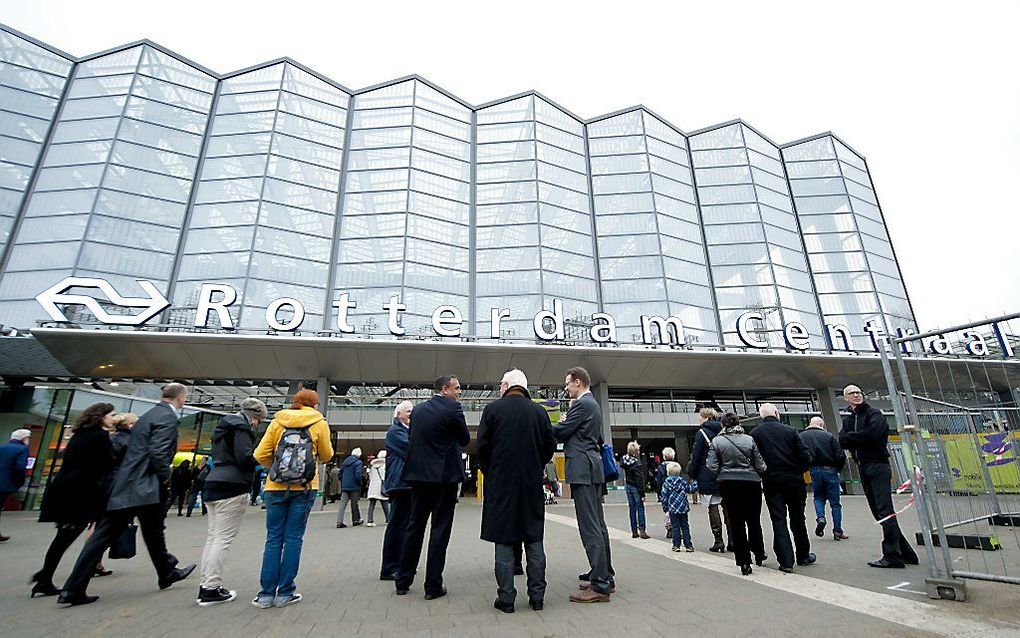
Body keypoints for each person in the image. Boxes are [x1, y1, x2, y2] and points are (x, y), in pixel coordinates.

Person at [59, 383, 196, 606]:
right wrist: (164, 477)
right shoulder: (166, 417)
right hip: (143, 485)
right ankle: (73, 589)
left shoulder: (149, 415)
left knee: (152, 531)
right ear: (181, 397)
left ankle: (166, 571)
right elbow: (159, 452)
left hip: (131, 484)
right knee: (107, 535)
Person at [477, 369, 556, 613]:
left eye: (501, 384)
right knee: (534, 538)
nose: (499, 388)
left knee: (503, 539)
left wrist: (492, 472)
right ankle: (538, 597)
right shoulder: (539, 412)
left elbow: (482, 449)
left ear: (509, 385)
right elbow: (549, 447)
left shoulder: (492, 411)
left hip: (501, 486)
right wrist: (535, 465)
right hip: (530, 484)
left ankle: (507, 599)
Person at [252, 388, 334, 608]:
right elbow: (327, 455)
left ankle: (266, 594)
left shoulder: (278, 421)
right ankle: (285, 592)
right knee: (293, 539)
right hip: (305, 488)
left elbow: (259, 454)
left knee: (273, 539)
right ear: (314, 404)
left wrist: (277, 470)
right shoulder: (319, 423)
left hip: (275, 487)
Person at [395, 375, 470, 600]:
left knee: (414, 526)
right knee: (440, 529)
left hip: (419, 478)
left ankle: (403, 579)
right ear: (445, 389)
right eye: (456, 388)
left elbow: (413, 438)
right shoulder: (453, 408)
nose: (459, 392)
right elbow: (465, 439)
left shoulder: (417, 411)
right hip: (444, 479)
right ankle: (433, 585)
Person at [30, 404, 116, 597]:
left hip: (65, 489)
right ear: (101, 417)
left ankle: (45, 576)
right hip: (79, 493)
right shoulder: (98, 436)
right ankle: (47, 579)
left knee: (62, 537)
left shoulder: (80, 434)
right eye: (111, 415)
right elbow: (106, 464)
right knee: (66, 537)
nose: (113, 418)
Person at [196, 397, 267, 606]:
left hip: (213, 482)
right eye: (259, 421)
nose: (257, 425)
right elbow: (244, 457)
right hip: (232, 486)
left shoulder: (223, 427)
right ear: (254, 417)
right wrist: (261, 456)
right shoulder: (241, 427)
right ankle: (211, 588)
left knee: (213, 538)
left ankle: (205, 584)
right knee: (223, 539)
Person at [839, 385, 919, 569]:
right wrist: (858, 437)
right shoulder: (849, 420)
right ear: (846, 398)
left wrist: (854, 438)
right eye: (852, 393)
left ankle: (892, 555)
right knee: (878, 511)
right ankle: (906, 553)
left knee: (885, 511)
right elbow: (842, 440)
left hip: (878, 465)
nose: (857, 395)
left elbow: (873, 435)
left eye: (859, 392)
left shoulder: (874, 414)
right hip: (863, 466)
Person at [552, 366, 614, 604]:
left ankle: (599, 585)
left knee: (590, 527)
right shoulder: (593, 405)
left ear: (578, 382)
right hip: (593, 469)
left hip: (583, 470)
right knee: (599, 525)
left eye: (568, 383)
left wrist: (550, 424)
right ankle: (605, 575)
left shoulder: (582, 404)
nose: (566, 387)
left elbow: (561, 431)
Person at [750, 403, 815, 573]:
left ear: (761, 416)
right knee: (798, 517)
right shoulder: (790, 431)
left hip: (771, 481)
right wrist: (798, 469)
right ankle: (803, 554)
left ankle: (786, 561)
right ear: (777, 413)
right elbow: (805, 456)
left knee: (778, 519)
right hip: (793, 479)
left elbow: (753, 458)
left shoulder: (755, 434)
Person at [706, 412, 767, 576]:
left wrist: (722, 472)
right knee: (754, 520)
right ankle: (759, 552)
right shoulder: (749, 440)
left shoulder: (717, 441)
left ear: (722, 425)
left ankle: (744, 561)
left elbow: (711, 465)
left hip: (728, 483)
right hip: (751, 482)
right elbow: (760, 465)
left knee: (736, 522)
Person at [687, 407, 731, 553]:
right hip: (725, 473)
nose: (698, 419)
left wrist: (692, 473)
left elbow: (697, 455)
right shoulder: (723, 431)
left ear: (705, 417)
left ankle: (719, 541)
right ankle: (733, 539)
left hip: (707, 474)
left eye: (699, 416)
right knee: (728, 507)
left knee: (713, 506)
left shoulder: (701, 433)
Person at [801, 416, 850, 541]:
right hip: (830, 470)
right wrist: (837, 470)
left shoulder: (802, 436)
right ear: (822, 425)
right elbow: (840, 455)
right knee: (835, 503)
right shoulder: (829, 436)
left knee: (818, 497)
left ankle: (821, 517)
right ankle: (838, 531)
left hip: (813, 470)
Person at [380, 400, 412, 581]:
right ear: (398, 414)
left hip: (406, 484)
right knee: (397, 526)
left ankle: (401, 564)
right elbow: (411, 449)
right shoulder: (395, 432)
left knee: (405, 526)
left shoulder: (405, 431)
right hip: (400, 484)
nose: (411, 414)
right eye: (408, 411)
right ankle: (390, 567)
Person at [0, 428, 31, 543]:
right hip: (5, 483)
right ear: (24, 438)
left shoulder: (2, 447)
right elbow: (20, 467)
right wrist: (20, 482)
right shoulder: (22, 449)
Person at [659, 462, 698, 552]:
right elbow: (690, 489)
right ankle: (688, 545)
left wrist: (665, 507)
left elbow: (664, 497)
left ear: (668, 472)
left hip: (672, 508)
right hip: (683, 508)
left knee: (675, 527)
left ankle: (676, 545)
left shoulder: (666, 484)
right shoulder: (683, 482)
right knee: (685, 526)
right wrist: (696, 483)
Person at [619, 441, 649, 539]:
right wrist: (642, 493)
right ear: (636, 451)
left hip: (628, 485)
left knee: (632, 508)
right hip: (636, 487)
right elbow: (639, 479)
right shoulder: (637, 463)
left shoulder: (624, 460)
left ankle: (634, 530)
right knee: (640, 508)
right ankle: (642, 529)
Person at [336, 448, 364, 528]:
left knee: (343, 504)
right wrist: (359, 483)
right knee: (354, 504)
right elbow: (358, 474)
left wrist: (343, 482)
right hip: (354, 486)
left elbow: (340, 473)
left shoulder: (345, 462)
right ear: (359, 454)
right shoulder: (358, 462)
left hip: (345, 486)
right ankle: (355, 520)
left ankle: (339, 521)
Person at [366, 451, 389, 527]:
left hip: (373, 487)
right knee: (385, 504)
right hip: (381, 487)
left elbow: (370, 476)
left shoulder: (373, 466)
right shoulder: (385, 465)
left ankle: (370, 520)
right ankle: (388, 519)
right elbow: (385, 477)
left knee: (371, 505)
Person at [656, 447, 675, 537]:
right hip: (676, 492)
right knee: (677, 511)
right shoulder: (676, 466)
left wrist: (659, 493)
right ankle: (677, 528)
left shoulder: (661, 467)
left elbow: (658, 481)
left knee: (667, 511)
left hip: (665, 491)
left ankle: (669, 528)